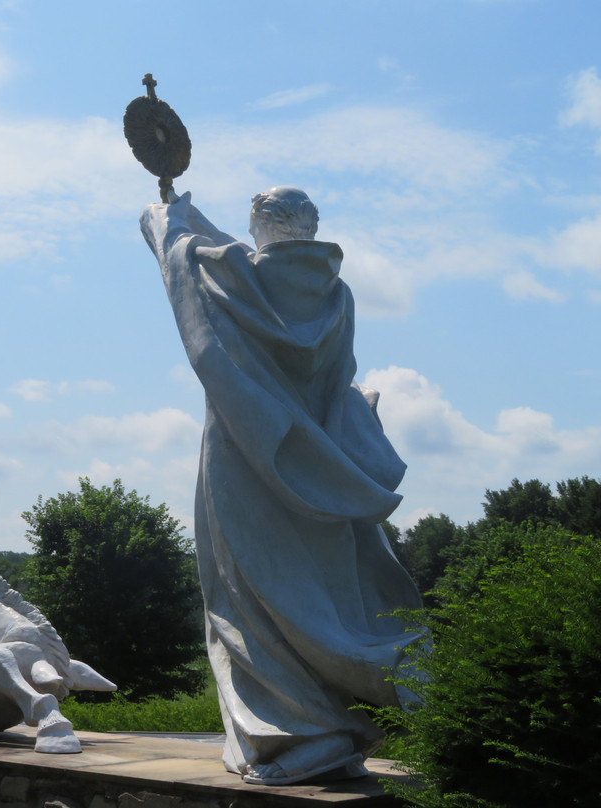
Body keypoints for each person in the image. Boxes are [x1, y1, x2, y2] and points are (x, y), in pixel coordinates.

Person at [140, 187, 424, 786]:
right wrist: (187, 220)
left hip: (244, 456)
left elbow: (185, 259)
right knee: (317, 593)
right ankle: (312, 726)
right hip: (319, 465)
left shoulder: (231, 274)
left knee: (248, 596)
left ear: (261, 223)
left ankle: (311, 730)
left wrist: (167, 217)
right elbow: (229, 256)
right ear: (312, 226)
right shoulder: (335, 293)